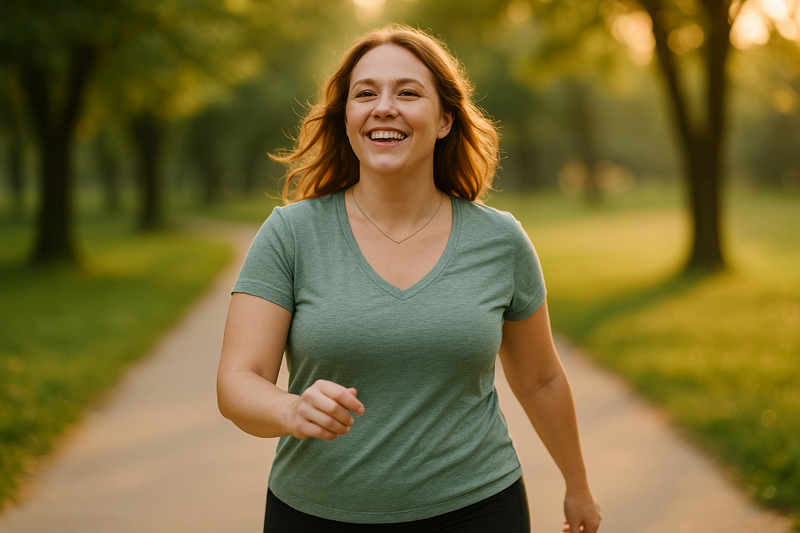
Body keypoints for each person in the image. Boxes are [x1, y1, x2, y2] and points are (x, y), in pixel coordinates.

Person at [216, 24, 601, 533]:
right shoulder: (290, 234)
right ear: (346, 119)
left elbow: (540, 378)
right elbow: (237, 380)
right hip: (314, 513)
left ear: (444, 119)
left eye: (407, 93)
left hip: (478, 509)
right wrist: (291, 410)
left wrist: (578, 486)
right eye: (365, 94)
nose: (384, 107)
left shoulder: (500, 240)